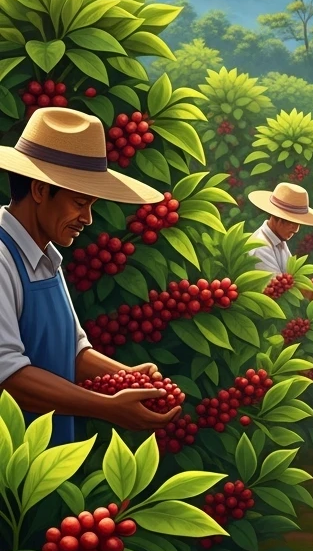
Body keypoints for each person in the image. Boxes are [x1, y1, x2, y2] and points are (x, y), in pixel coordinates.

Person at [0, 107, 180, 444]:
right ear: (39, 191)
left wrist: (127, 377)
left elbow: (72, 350)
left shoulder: (46, 257)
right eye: (79, 203)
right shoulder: (1, 259)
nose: (88, 218)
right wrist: (107, 406)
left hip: (50, 454)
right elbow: (9, 376)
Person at [247, 181, 313, 275]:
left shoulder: (278, 241)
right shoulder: (261, 247)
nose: (296, 229)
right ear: (278, 218)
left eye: (299, 223)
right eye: (293, 222)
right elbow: (278, 283)